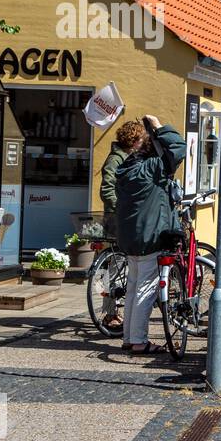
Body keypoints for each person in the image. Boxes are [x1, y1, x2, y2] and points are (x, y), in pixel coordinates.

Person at [114, 116, 186, 353]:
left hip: (130, 238)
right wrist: (159, 126)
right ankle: (138, 341)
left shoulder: (126, 169)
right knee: (145, 289)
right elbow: (178, 148)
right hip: (149, 237)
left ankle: (128, 338)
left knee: (134, 288)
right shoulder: (152, 168)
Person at [96, 133, 131, 333]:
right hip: (116, 218)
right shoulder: (115, 159)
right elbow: (107, 189)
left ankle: (111, 311)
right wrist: (122, 207)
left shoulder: (126, 158)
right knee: (111, 269)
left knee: (113, 268)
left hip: (121, 217)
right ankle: (109, 313)